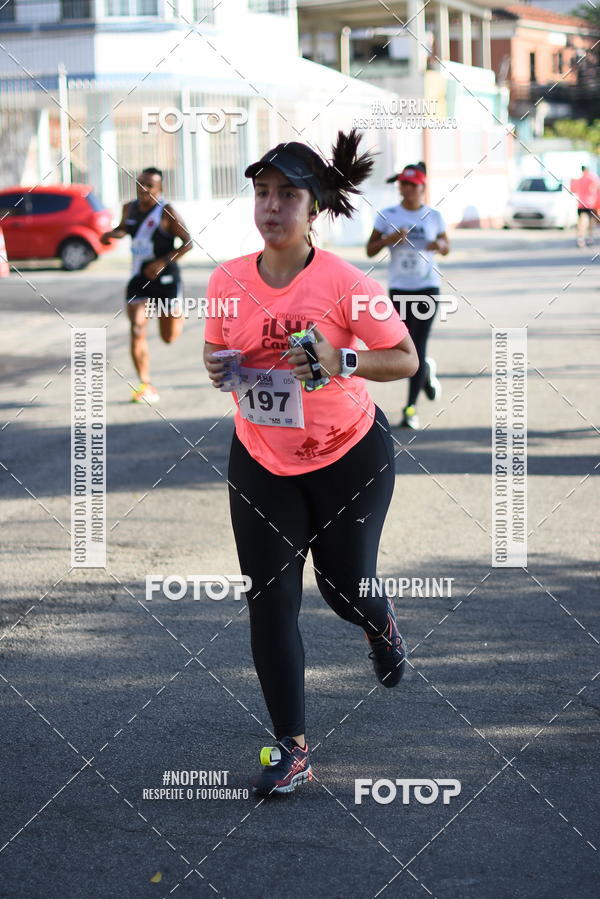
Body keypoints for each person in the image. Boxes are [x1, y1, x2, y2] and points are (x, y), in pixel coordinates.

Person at [203, 130, 418, 797]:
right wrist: (221, 369)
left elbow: (406, 359)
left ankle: (379, 623)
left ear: (314, 206)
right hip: (262, 459)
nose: (271, 206)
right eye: (262, 192)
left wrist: (340, 360)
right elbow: (221, 355)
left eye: (287, 194)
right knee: (269, 600)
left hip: (348, 454)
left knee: (344, 584)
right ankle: (292, 747)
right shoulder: (226, 279)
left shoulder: (348, 284)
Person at [366, 163, 449, 429]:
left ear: (422, 187)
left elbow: (446, 246)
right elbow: (370, 249)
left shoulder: (433, 216)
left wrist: (440, 245)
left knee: (418, 344)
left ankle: (410, 408)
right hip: (399, 288)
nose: (407, 189)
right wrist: (389, 238)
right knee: (401, 347)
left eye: (412, 185)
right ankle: (425, 372)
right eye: (403, 184)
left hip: (427, 288)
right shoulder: (388, 214)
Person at [100, 167, 192, 403]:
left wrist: (163, 261)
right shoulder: (129, 208)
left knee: (168, 337)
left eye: (149, 185)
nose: (144, 189)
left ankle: (176, 311)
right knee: (137, 328)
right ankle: (145, 384)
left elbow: (187, 243)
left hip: (165, 278)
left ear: (159, 188)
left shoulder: (166, 212)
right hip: (139, 277)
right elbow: (125, 228)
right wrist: (111, 234)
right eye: (140, 184)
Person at [570, 165, 600, 248]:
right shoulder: (593, 178)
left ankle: (581, 239)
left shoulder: (578, 179)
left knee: (581, 222)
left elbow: (573, 189)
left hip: (580, 204)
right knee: (590, 221)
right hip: (591, 203)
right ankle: (589, 238)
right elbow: (598, 188)